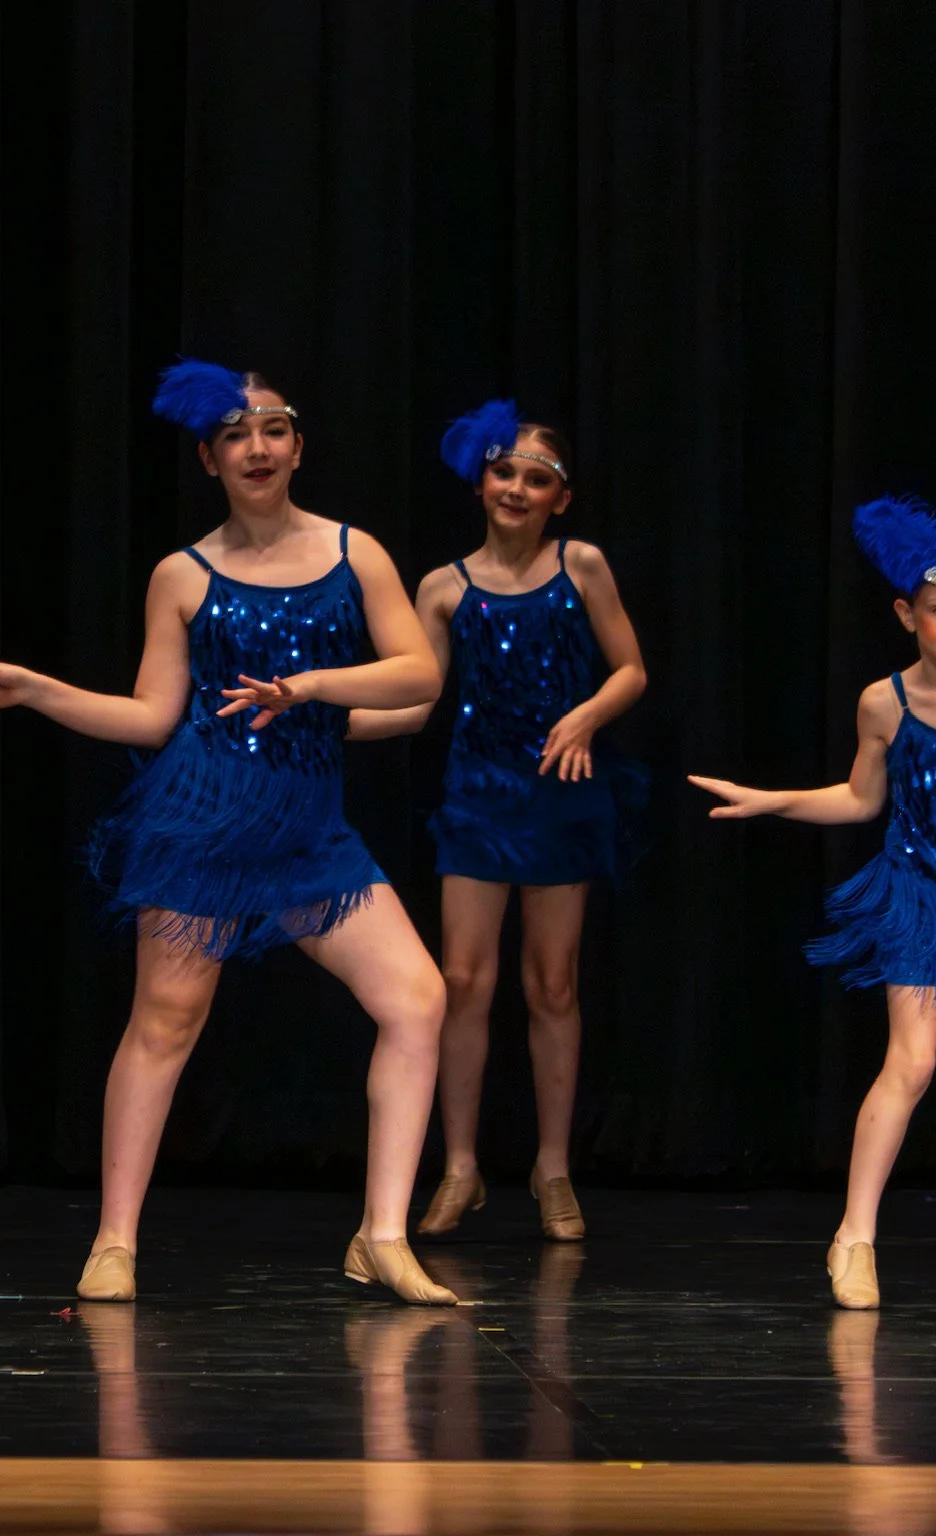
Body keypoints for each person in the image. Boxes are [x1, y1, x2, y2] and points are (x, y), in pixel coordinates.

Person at [0, 359, 452, 1304]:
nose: (256, 448)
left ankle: (382, 1235)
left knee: (418, 1000)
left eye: (272, 430)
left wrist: (312, 688)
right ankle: (114, 1241)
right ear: (209, 460)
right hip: (204, 822)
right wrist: (35, 688)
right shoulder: (182, 573)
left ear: (298, 445)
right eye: (234, 435)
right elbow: (150, 716)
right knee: (166, 1022)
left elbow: (419, 674)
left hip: (310, 830)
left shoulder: (356, 554)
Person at [690, 496, 936, 1311]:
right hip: (920, 896)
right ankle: (854, 1236)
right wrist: (774, 801)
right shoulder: (885, 703)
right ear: (908, 615)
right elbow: (862, 799)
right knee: (914, 1061)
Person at [350, 402, 646, 1242]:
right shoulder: (444, 587)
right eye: (504, 471)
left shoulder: (580, 566)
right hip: (478, 797)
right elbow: (418, 701)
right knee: (463, 981)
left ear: (561, 497)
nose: (516, 488)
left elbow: (631, 670)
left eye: (536, 478)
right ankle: (460, 1166)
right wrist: (323, 716)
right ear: (481, 482)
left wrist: (586, 715)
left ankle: (552, 1167)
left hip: (561, 789)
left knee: (552, 984)